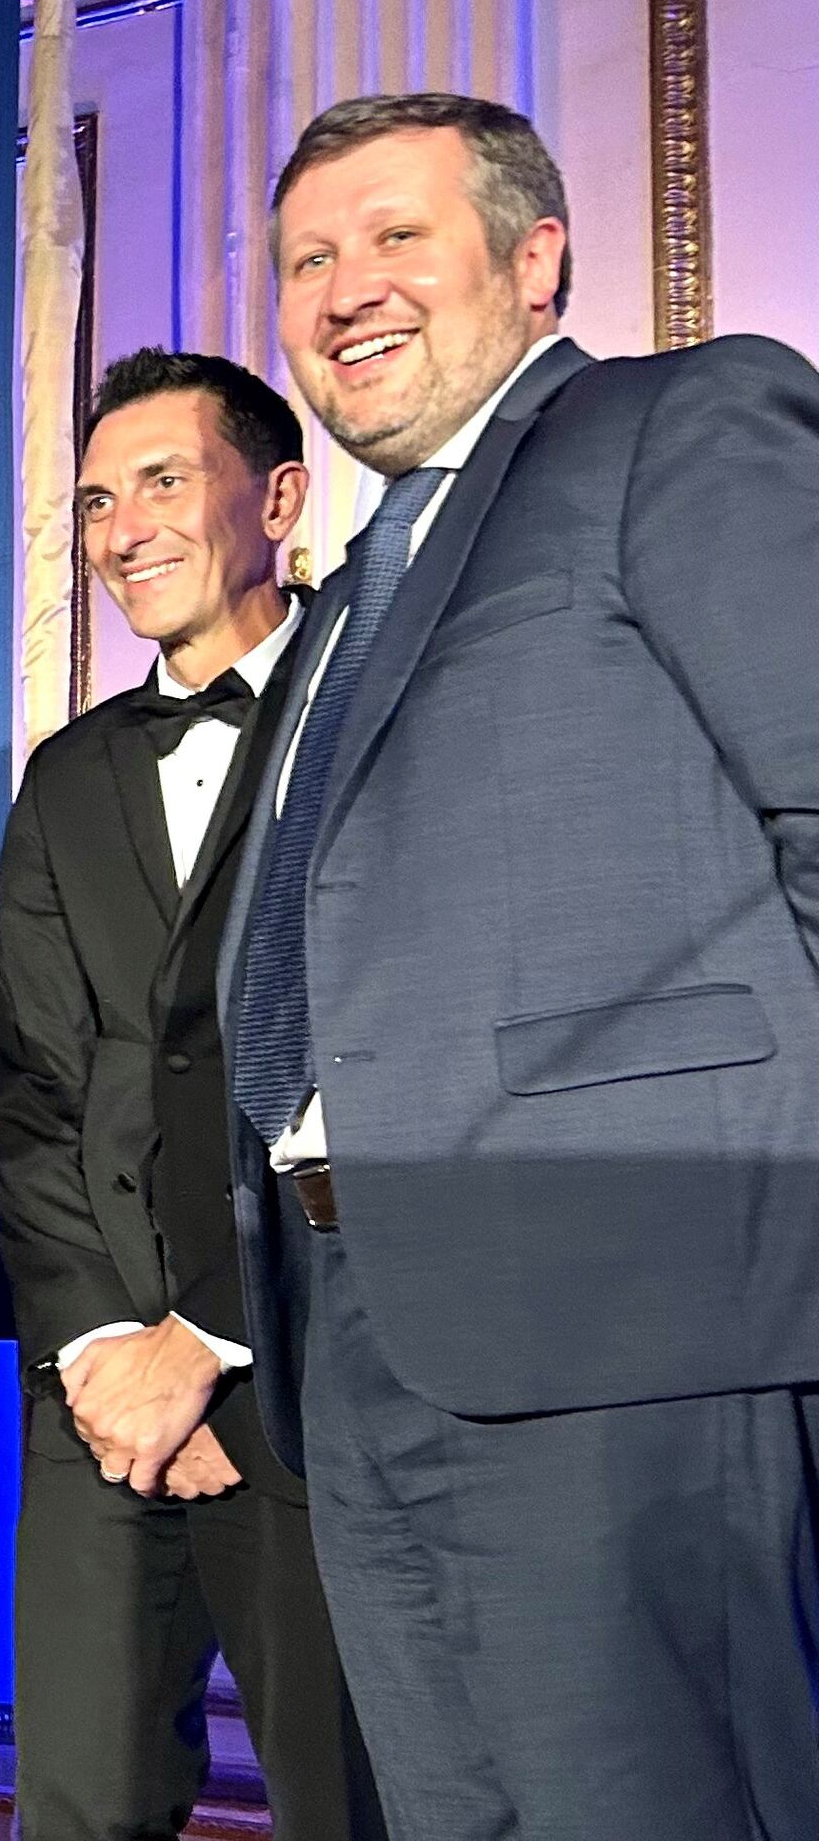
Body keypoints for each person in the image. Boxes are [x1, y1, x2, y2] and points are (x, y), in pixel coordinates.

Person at [173, 93, 819, 1835]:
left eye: (396, 237)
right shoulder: (353, 589)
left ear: (536, 261)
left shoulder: (675, 424)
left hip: (641, 1312)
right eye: (308, 257)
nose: (342, 287)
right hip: (365, 1324)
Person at [0, 356, 380, 1840]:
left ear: (277, 498)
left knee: (349, 1792)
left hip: (309, 1364)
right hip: (95, 1398)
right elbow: (32, 1087)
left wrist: (206, 1338)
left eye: (162, 481)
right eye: (95, 496)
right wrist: (103, 1345)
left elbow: (371, 1046)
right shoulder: (67, 775)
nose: (120, 526)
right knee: (78, 1801)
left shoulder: (371, 714)